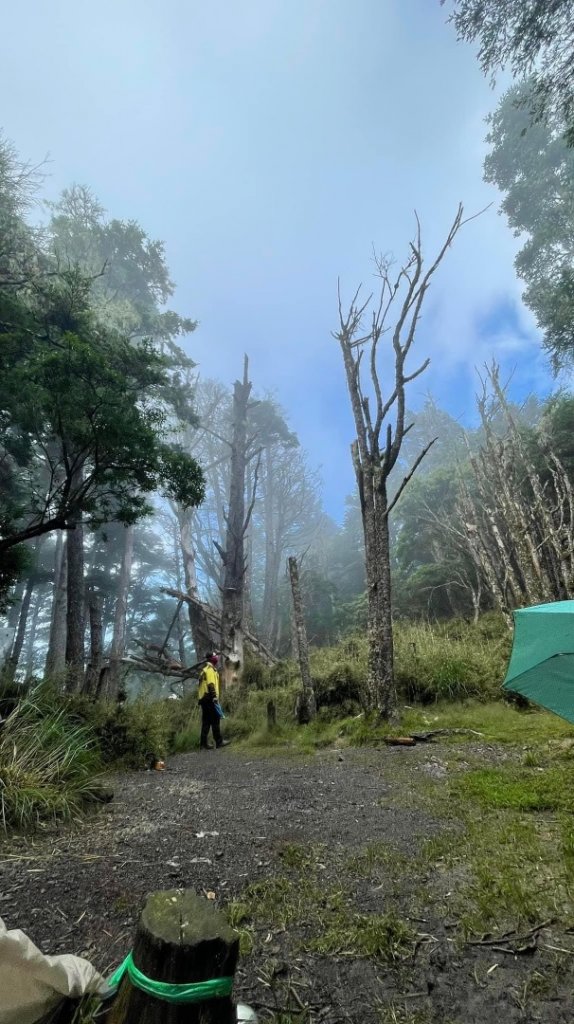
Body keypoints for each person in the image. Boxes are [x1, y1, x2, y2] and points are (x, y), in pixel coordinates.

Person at [198, 652, 229, 750]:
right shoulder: (210, 670)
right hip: (210, 698)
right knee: (215, 720)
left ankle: (203, 744)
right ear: (211, 659)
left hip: (203, 699)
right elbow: (211, 684)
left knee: (206, 722)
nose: (217, 658)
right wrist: (214, 697)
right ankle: (219, 742)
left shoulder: (204, 670)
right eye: (215, 656)